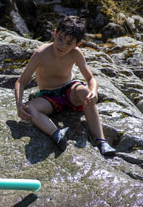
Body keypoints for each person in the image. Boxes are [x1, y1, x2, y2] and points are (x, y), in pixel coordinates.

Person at [14, 15, 116, 157]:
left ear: (77, 44)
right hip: (48, 96)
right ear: (55, 33)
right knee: (30, 108)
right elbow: (21, 81)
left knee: (85, 92)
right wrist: (19, 105)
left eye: (69, 43)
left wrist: (93, 91)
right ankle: (56, 133)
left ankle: (101, 141)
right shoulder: (41, 54)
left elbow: (91, 78)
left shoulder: (75, 54)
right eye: (60, 39)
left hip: (70, 89)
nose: (62, 46)